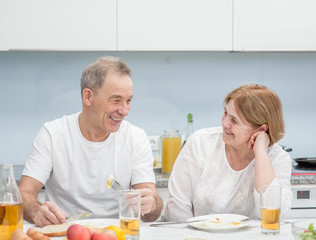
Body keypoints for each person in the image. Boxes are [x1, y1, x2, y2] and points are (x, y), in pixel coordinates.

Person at [19, 56, 163, 227]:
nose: (124, 110)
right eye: (116, 100)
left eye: (128, 100)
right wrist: (37, 212)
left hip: (117, 234)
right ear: (88, 97)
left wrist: (151, 204)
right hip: (66, 233)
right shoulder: (53, 134)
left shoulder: (136, 138)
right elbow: (24, 194)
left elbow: (151, 209)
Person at [163, 83, 292, 221]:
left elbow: (273, 215)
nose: (225, 123)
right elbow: (177, 205)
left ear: (261, 129)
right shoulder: (201, 142)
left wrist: (260, 152)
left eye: (234, 121)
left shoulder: (277, 159)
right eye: (226, 113)